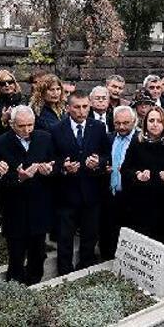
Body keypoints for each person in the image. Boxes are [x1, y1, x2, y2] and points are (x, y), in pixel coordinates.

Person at [49, 90, 111, 275]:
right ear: (68, 108)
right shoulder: (56, 129)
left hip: (91, 194)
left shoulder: (98, 127)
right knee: (65, 239)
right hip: (66, 194)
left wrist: (98, 162)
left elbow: (106, 155)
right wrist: (64, 167)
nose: (81, 111)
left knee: (89, 238)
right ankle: (65, 273)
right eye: (77, 107)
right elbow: (51, 159)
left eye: (85, 107)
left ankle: (86, 271)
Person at [0, 105, 55, 285]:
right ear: (11, 124)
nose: (27, 129)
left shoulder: (45, 138)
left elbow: (55, 164)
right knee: (16, 256)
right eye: (22, 126)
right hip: (14, 209)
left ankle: (35, 286)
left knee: (38, 254)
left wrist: (49, 169)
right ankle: (15, 291)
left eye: (30, 125)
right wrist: (19, 178)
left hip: (39, 207)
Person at [120, 107, 164, 245]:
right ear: (145, 123)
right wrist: (137, 174)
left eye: (159, 121)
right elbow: (125, 169)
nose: (155, 124)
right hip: (141, 203)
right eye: (151, 120)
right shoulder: (137, 142)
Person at [100, 106, 137, 260]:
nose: (121, 127)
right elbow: (102, 159)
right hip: (109, 195)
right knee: (107, 234)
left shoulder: (140, 140)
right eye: (117, 123)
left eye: (126, 123)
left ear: (134, 122)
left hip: (131, 196)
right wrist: (104, 167)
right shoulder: (108, 138)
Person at [0, 70, 24, 137]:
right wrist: (3, 120)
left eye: (10, 82)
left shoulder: (22, 101)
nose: (7, 85)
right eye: (3, 83)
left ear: (14, 84)